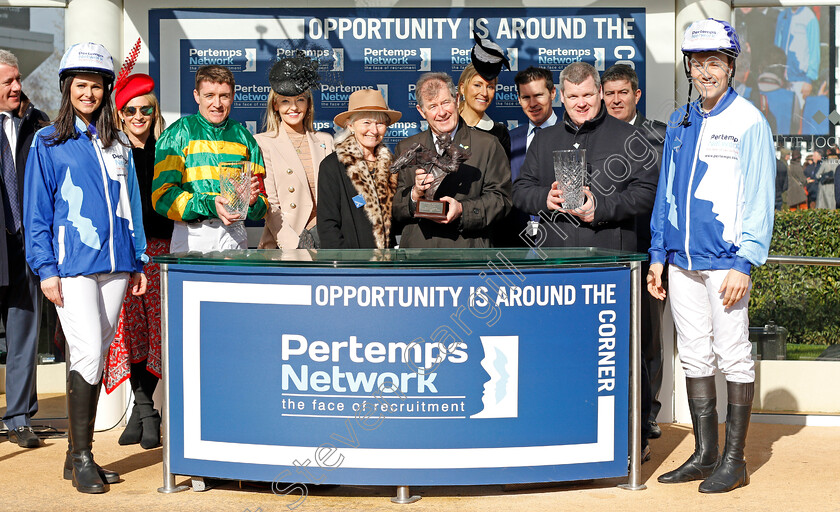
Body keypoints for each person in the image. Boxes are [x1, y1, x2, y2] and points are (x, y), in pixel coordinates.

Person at [648, 19, 775, 493]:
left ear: (730, 66)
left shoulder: (749, 122)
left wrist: (746, 262)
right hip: (680, 261)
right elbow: (666, 192)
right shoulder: (680, 122)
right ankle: (704, 454)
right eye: (698, 63)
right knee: (695, 356)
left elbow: (761, 199)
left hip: (726, 262)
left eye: (714, 63)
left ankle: (734, 460)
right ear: (688, 68)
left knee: (734, 357)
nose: (705, 72)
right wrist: (658, 253)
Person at [512, 61, 659, 460]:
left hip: (613, 267)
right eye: (573, 97)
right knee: (564, 355)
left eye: (588, 96)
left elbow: (647, 195)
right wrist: (547, 198)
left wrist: (604, 206)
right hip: (560, 272)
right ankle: (564, 433)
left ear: (599, 94)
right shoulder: (543, 141)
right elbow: (519, 191)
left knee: (623, 358)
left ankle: (632, 440)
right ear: (561, 97)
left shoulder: (632, 138)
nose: (581, 103)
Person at [24, 42, 148, 494]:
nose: (89, 93)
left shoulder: (117, 142)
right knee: (90, 352)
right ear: (66, 88)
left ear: (106, 89)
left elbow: (129, 204)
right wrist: (45, 268)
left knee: (92, 352)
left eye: (96, 85)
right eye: (81, 85)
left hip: (117, 266)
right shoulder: (47, 141)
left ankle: (73, 453)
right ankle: (82, 456)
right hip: (71, 265)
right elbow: (37, 210)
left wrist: (138, 260)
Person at [102, 72, 170, 450]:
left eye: (146, 108)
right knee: (130, 334)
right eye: (131, 110)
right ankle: (146, 411)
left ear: (154, 111)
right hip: (125, 255)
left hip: (161, 250)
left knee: (156, 333)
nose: (139, 115)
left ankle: (141, 411)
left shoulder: (166, 150)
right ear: (120, 114)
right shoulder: (111, 152)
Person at [601, 62, 668, 442]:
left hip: (650, 251)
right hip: (609, 249)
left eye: (622, 93)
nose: (615, 100)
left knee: (649, 337)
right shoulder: (593, 135)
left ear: (636, 95)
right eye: (608, 94)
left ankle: (649, 413)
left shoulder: (658, 137)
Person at [153, 65, 267, 252]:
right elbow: (162, 196)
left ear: (233, 96)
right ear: (197, 96)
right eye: (209, 95)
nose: (217, 103)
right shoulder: (177, 133)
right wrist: (210, 204)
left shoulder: (244, 137)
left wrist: (252, 202)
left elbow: (262, 203)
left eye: (224, 95)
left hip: (235, 233)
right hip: (192, 233)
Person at [392, 72, 511, 248]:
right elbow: (394, 207)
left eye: (445, 102)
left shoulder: (487, 145)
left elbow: (502, 200)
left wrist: (463, 210)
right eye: (432, 106)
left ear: (456, 100)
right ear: (421, 111)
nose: (441, 113)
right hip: (419, 257)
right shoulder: (406, 147)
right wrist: (414, 194)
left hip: (468, 253)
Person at [0, 49, 49, 449]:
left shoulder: (35, 123)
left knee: (23, 335)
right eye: (8, 82)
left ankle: (18, 418)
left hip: (25, 246)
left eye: (18, 80)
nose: (18, 87)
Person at [256, 55, 333, 249]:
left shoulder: (326, 140)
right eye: (285, 101)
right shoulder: (264, 143)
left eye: (299, 99)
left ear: (308, 104)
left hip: (325, 240)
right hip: (287, 242)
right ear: (275, 105)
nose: (293, 107)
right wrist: (293, 245)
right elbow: (270, 205)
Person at [317, 89, 400, 249]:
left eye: (380, 123)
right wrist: (343, 265)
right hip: (350, 266)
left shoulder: (392, 165)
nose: (374, 130)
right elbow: (327, 225)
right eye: (367, 122)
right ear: (351, 125)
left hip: (387, 265)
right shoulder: (332, 166)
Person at [498, 66, 557, 247]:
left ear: (553, 93)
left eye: (538, 95)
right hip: (515, 240)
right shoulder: (510, 139)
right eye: (526, 97)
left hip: (558, 235)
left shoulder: (571, 135)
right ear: (518, 99)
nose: (533, 104)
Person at [456, 34, 511, 159]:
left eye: (490, 87)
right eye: (477, 85)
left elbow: (503, 176)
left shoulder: (500, 132)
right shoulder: (445, 123)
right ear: (462, 88)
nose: (484, 93)